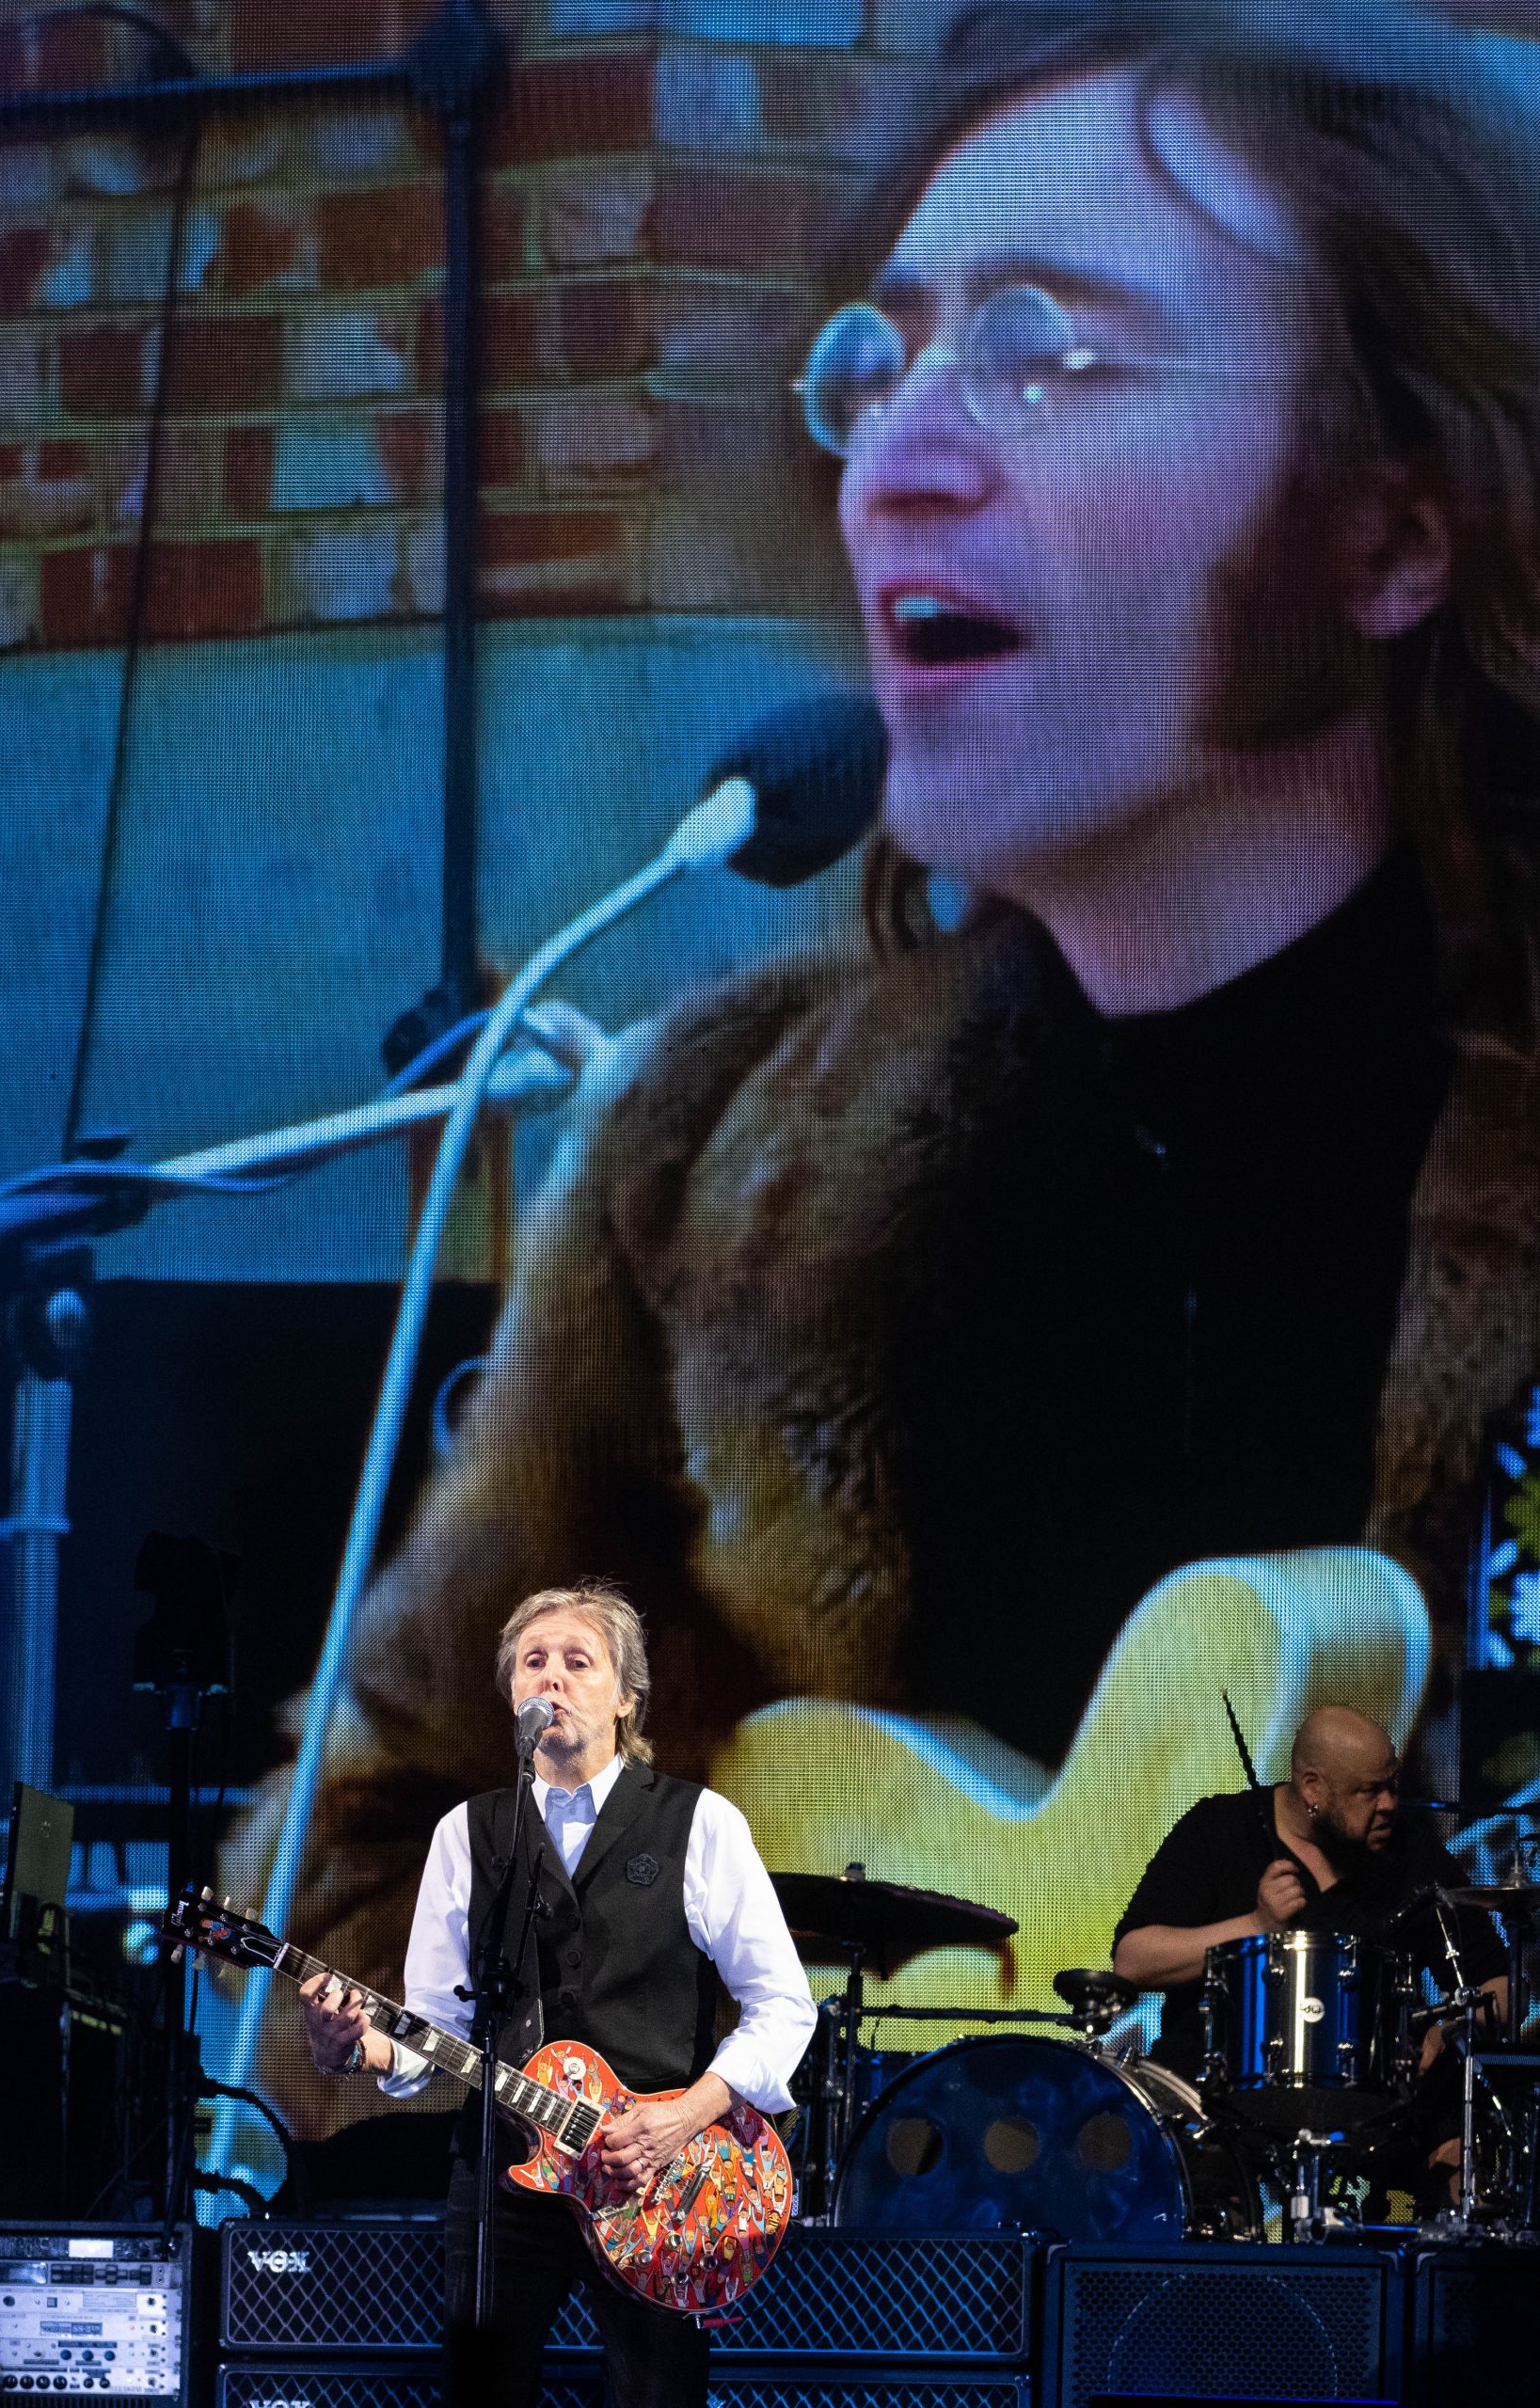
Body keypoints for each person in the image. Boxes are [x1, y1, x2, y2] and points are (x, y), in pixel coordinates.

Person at [232, 0, 1540, 2055]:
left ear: (1393, 516)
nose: (900, 458)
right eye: (881, 353)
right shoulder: (711, 1146)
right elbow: (353, 1877)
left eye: (1045, 349)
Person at [298, 1578, 816, 2408]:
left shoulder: (700, 1823)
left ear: (626, 1698)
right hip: (505, 2178)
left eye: (579, 1662)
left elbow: (784, 2004)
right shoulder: (466, 1833)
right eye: (533, 1662)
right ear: (511, 1695)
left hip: (657, 2175)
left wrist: (684, 2114)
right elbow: (435, 2024)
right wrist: (354, 2047)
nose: (552, 1679)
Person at [1113, 1705, 1507, 2201]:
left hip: (1377, 2105)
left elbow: (1496, 1982)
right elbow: (1133, 1959)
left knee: (1458, 2138)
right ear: (1313, 1789)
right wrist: (1254, 1926)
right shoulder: (1220, 1829)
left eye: (1393, 1784)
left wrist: (1452, 2032)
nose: (1389, 1803)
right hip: (1216, 2104)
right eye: (1369, 1791)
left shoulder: (1409, 1851)